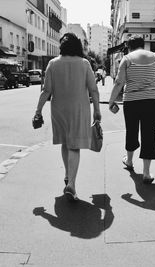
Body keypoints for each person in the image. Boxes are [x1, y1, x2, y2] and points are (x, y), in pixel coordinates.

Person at [34, 33, 101, 200]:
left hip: (59, 110)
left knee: (65, 142)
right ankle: (71, 183)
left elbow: (46, 91)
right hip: (79, 109)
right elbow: (93, 89)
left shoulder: (52, 63)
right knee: (74, 145)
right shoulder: (84, 64)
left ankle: (67, 175)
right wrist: (97, 110)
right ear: (78, 46)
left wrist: (38, 111)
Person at [108, 35, 155, 184]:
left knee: (131, 131)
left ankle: (129, 161)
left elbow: (119, 83)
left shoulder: (127, 59)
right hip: (152, 101)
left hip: (132, 102)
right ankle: (147, 173)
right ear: (143, 45)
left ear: (129, 47)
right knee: (149, 134)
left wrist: (111, 101)